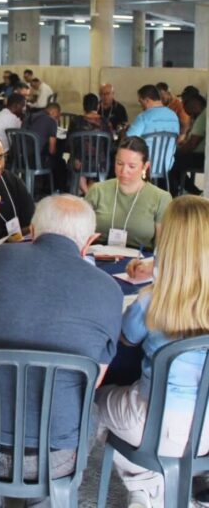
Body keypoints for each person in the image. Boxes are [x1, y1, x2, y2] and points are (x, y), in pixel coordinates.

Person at [0, 194, 123, 508]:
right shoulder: (110, 290)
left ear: (31, 230)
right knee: (90, 410)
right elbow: (93, 380)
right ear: (90, 242)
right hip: (54, 457)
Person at [96, 195, 209, 508]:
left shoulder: (153, 300)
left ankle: (143, 485)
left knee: (95, 401)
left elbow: (126, 340)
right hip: (206, 432)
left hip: (153, 425)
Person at [85, 136, 172, 250]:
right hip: (98, 254)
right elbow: (81, 234)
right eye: (119, 163)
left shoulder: (161, 198)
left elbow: (162, 247)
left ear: (145, 166)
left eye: (132, 166)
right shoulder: (97, 190)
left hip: (140, 258)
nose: (124, 171)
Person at [128, 84, 180, 174]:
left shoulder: (143, 117)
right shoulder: (174, 116)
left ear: (147, 100)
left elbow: (128, 139)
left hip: (145, 165)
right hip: (166, 166)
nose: (141, 106)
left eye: (141, 102)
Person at [68, 92, 112, 195]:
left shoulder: (75, 121)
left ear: (83, 106)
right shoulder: (105, 122)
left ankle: (86, 193)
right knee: (100, 163)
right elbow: (109, 144)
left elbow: (68, 143)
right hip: (100, 163)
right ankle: (89, 195)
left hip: (79, 162)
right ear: (98, 106)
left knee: (77, 165)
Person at [169, 93, 206, 196]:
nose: (190, 115)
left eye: (190, 111)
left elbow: (192, 144)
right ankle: (193, 191)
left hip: (200, 157)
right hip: (201, 155)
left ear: (195, 103)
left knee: (169, 162)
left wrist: (177, 151)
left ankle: (174, 194)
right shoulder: (203, 114)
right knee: (174, 161)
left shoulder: (203, 116)